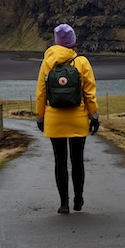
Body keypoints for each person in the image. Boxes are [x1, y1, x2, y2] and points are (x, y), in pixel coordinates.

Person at [35, 23, 99, 214]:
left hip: (54, 118)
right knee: (77, 160)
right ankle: (78, 198)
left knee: (60, 160)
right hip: (77, 117)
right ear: (73, 42)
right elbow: (89, 92)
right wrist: (94, 115)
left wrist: (40, 117)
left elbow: (41, 92)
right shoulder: (82, 62)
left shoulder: (47, 62)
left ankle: (64, 203)